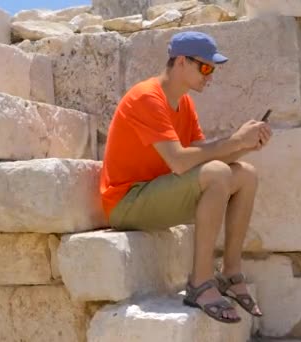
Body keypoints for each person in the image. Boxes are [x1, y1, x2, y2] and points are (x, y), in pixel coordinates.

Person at [99, 31, 271, 324]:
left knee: (246, 175)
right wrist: (234, 141)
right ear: (181, 62)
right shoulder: (146, 97)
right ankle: (200, 283)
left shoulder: (184, 103)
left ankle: (230, 272)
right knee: (217, 173)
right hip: (126, 202)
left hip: (157, 192)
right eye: (205, 67)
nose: (210, 75)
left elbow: (204, 155)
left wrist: (244, 146)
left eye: (212, 69)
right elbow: (179, 162)